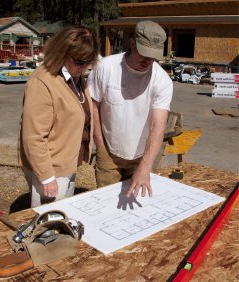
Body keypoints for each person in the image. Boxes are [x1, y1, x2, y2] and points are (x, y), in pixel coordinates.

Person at [87, 20, 173, 199]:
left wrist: (145, 167)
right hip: (108, 153)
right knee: (107, 201)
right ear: (132, 43)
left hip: (143, 154)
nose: (148, 60)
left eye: (153, 55)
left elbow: (158, 126)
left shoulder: (162, 81)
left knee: (136, 204)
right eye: (144, 53)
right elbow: (93, 106)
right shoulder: (106, 68)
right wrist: (100, 145)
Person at [20, 26, 99, 208]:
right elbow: (33, 136)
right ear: (62, 52)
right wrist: (46, 177)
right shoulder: (42, 83)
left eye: (89, 62)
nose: (85, 67)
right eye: (80, 61)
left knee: (63, 213)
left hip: (66, 161)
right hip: (52, 166)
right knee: (49, 221)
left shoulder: (74, 75)